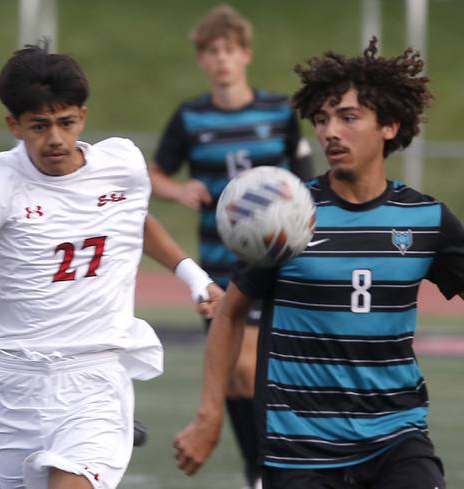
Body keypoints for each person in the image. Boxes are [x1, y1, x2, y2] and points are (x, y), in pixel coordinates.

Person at [172, 38, 464, 489]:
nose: (331, 132)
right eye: (324, 119)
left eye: (349, 118)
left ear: (389, 126)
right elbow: (230, 313)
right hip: (301, 450)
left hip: (395, 440)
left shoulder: (426, 220)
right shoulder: (289, 216)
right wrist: (209, 417)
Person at [0, 43, 222, 489]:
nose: (56, 138)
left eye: (65, 123)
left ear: (82, 116)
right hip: (12, 383)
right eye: (39, 126)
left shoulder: (120, 166)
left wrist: (194, 277)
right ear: (14, 125)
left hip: (94, 377)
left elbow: (134, 223)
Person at [149, 5, 313, 488]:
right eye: (211, 52)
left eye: (229, 50)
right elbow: (156, 173)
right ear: (202, 59)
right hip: (217, 266)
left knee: (248, 365)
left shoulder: (279, 113)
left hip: (274, 264)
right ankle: (259, 469)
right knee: (239, 375)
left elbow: (305, 183)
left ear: (245, 54)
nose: (221, 60)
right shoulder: (191, 117)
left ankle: (268, 469)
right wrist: (177, 190)